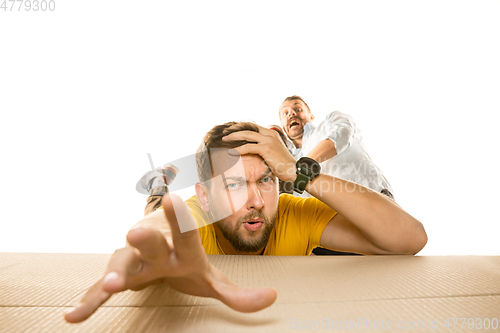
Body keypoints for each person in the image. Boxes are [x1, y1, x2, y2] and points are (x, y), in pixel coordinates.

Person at [65, 122, 427, 323]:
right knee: (159, 204)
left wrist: (297, 174)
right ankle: (159, 183)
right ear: (206, 197)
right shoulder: (198, 213)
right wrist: (145, 249)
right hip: (175, 209)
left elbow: (410, 238)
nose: (256, 201)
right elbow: (160, 228)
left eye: (266, 180)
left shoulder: (289, 209)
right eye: (235, 185)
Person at [278, 95, 394, 200]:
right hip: (333, 216)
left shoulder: (331, 120)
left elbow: (341, 134)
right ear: (283, 126)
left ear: (311, 116)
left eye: (298, 109)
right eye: (285, 113)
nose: (291, 113)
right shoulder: (289, 160)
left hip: (371, 195)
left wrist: (303, 168)